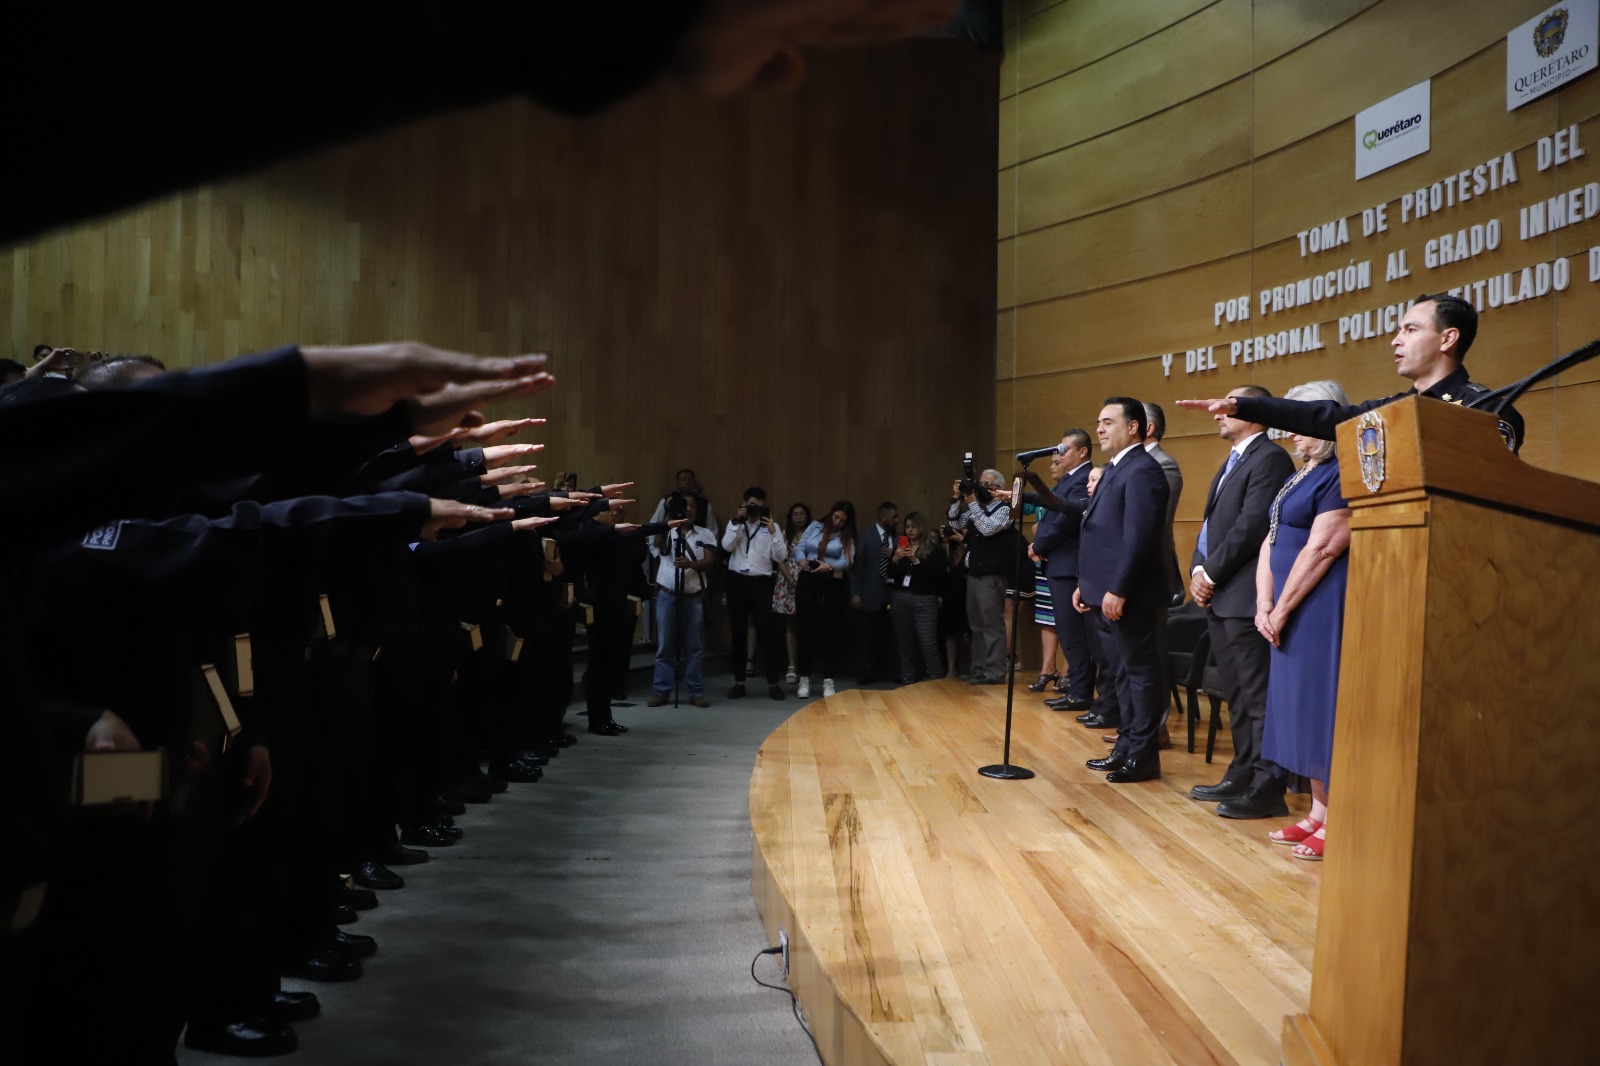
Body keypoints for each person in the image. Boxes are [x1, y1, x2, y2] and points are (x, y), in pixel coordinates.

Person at [1178, 293, 1525, 453]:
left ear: (1448, 338)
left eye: (1410, 330)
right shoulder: (1398, 407)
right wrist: (1243, 406)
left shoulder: (1486, 409)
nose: (1395, 340)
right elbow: (1327, 417)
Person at [1186, 386, 1297, 818]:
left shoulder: (1270, 458)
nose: (1218, 413)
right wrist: (1197, 569)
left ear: (1252, 412)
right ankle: (1242, 772)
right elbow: (1211, 527)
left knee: (1257, 696)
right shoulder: (1233, 460)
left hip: (1244, 594)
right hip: (1220, 597)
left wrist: (1210, 574)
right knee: (1236, 694)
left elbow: (1252, 526)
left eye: (1229, 406)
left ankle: (1268, 786)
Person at [1256, 381, 1353, 861]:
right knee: (1298, 706)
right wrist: (1262, 601)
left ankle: (1338, 817)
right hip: (1284, 606)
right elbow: (1270, 538)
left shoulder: (1341, 471)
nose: (1290, 433)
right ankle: (1317, 810)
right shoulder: (1302, 472)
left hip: (1317, 603)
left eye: (1299, 423)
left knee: (1321, 706)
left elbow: (1324, 546)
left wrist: (1283, 606)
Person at [1073, 398, 1170, 783]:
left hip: (1130, 594)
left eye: (1108, 422)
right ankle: (1127, 746)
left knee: (1140, 674)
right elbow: (1101, 533)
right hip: (1105, 591)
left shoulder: (1143, 469)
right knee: (1124, 675)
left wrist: (1117, 588)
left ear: (1133, 427)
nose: (1099, 428)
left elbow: (1138, 538)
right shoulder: (1118, 467)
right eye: (1098, 421)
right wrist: (1088, 586)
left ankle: (1144, 756)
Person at [1024, 430, 1095, 712]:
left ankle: (1080, 692)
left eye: (1065, 449)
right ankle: (1076, 690)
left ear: (1083, 452)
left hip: (1070, 565)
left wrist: (1037, 545)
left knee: (1073, 633)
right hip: (1060, 563)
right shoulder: (1070, 479)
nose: (1059, 454)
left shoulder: (1082, 479)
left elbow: (1063, 523)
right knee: (1067, 631)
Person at [647, 492, 719, 707]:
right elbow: (658, 544)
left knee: (694, 647)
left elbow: (709, 562)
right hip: (667, 595)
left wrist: (690, 565)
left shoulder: (705, 533)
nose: (688, 509)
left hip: (693, 597)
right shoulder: (667, 530)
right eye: (683, 505)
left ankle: (696, 692)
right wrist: (670, 516)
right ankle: (661, 691)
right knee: (665, 646)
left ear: (697, 511)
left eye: (692, 506)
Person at [948, 468, 1015, 685]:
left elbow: (987, 528)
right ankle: (979, 669)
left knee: (991, 624)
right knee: (976, 625)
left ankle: (995, 672)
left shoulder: (1005, 510)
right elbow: (954, 524)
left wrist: (971, 501)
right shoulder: (977, 508)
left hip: (992, 576)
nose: (981, 489)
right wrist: (957, 498)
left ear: (997, 489)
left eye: (986, 485)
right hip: (974, 575)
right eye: (980, 484)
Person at [721, 486, 788, 700]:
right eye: (751, 506)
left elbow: (780, 556)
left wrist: (773, 532)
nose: (754, 510)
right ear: (743, 505)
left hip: (761, 583)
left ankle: (773, 683)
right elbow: (726, 546)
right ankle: (739, 682)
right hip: (737, 582)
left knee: (767, 634)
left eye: (758, 507)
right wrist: (736, 523)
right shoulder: (735, 525)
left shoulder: (772, 527)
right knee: (738, 634)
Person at [794, 500, 857, 699]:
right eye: (835, 517)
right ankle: (804, 677)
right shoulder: (815, 526)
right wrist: (801, 559)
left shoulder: (848, 536)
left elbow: (847, 560)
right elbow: (800, 547)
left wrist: (829, 567)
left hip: (832, 582)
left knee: (829, 630)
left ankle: (828, 679)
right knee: (805, 629)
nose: (837, 522)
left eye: (842, 520)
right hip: (808, 577)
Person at [888, 511, 947, 683]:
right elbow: (890, 575)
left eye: (913, 526)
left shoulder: (933, 550)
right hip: (901, 597)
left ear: (921, 527)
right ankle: (908, 680)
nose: (910, 530)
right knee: (905, 643)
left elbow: (936, 576)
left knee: (928, 642)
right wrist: (895, 560)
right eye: (907, 527)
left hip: (924, 599)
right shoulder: (901, 548)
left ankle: (936, 678)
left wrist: (915, 560)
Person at [854, 501, 899, 684]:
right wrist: (855, 593)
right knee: (868, 636)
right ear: (884, 517)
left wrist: (895, 554)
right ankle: (867, 671)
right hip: (870, 593)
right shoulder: (865, 536)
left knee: (891, 635)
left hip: (893, 593)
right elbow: (856, 568)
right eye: (894, 517)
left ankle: (891, 670)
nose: (897, 520)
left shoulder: (898, 538)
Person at [773, 502, 810, 684]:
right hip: (789, 582)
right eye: (795, 514)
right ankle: (792, 666)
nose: (799, 517)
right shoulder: (785, 534)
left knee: (807, 624)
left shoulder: (813, 534)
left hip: (809, 580)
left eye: (802, 513)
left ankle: (806, 665)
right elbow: (779, 559)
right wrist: (792, 580)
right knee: (791, 625)